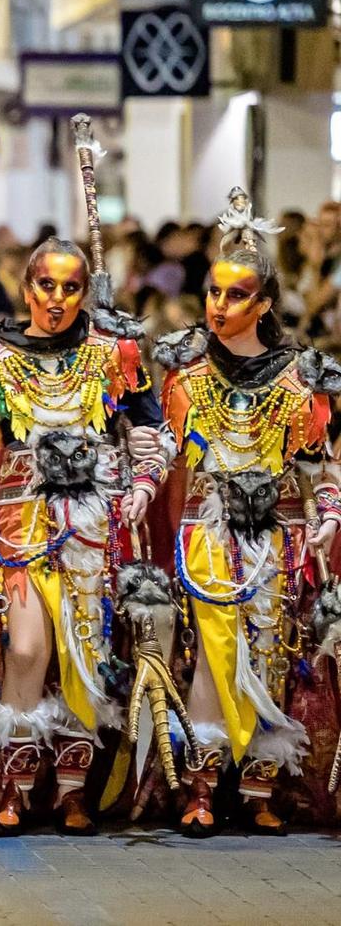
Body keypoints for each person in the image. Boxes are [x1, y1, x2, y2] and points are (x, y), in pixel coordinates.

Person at [0, 236, 168, 835]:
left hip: (95, 522)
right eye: (46, 284)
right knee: (25, 648)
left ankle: (73, 792)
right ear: (26, 287)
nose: (57, 298)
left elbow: (152, 432)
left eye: (72, 287)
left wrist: (144, 481)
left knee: (84, 651)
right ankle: (14, 787)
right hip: (22, 519)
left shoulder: (112, 352)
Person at [153, 190, 340, 835]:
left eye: (236, 296)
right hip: (208, 528)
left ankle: (259, 786)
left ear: (264, 304)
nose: (219, 306)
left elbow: (320, 466)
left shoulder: (300, 378)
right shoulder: (184, 373)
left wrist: (329, 517)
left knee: (268, 651)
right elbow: (165, 455)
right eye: (213, 293)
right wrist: (133, 487)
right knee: (211, 651)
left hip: (278, 536)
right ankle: (201, 786)